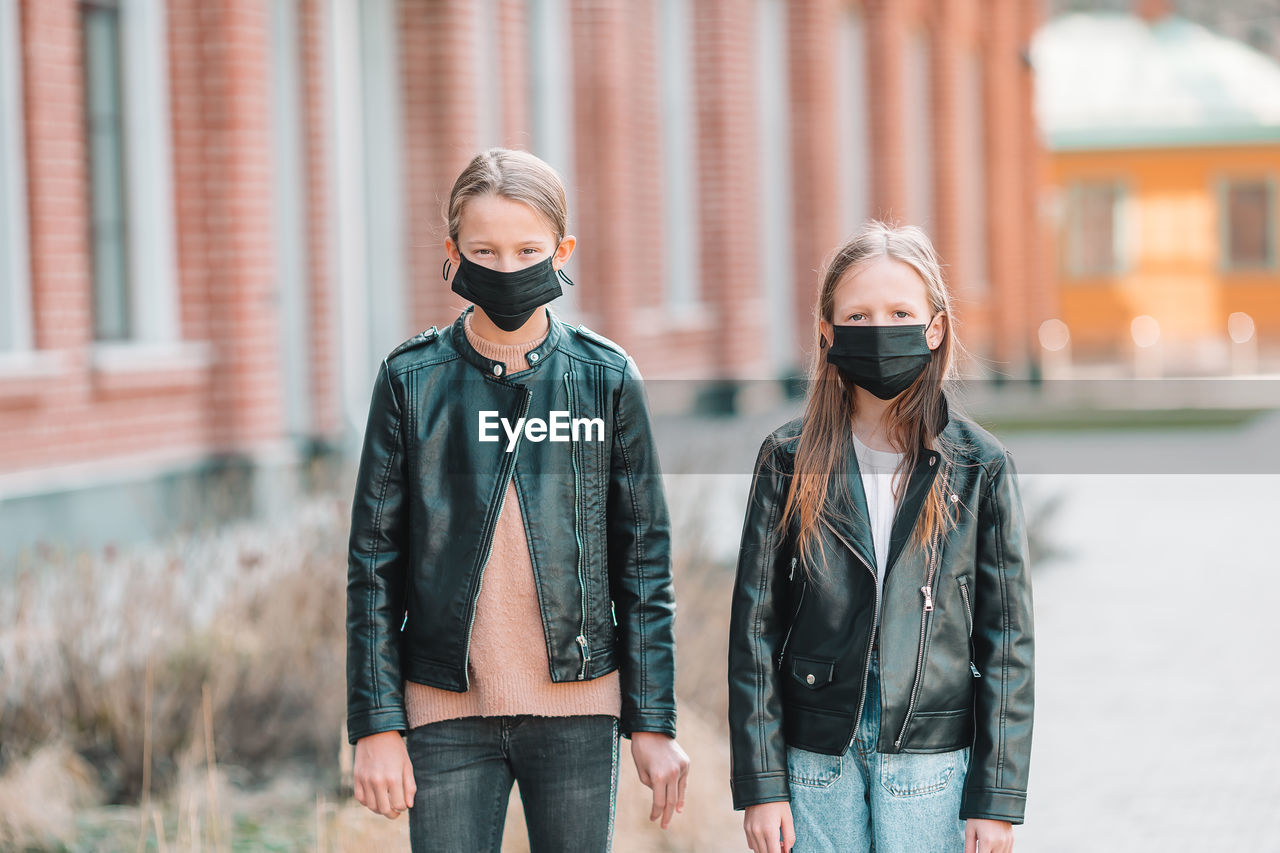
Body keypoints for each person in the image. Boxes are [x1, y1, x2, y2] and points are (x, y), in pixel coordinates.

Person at [346, 148, 690, 853]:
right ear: (453, 254)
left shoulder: (607, 379)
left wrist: (653, 721)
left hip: (579, 711)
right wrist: (377, 723)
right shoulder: (410, 381)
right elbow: (373, 566)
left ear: (562, 249)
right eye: (485, 250)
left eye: (527, 248)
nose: (507, 267)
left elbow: (644, 563)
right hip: (444, 712)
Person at [727, 222, 1034, 853]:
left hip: (932, 762)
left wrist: (996, 799)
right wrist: (762, 783)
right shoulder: (787, 459)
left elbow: (1008, 640)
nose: (879, 329)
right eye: (858, 315)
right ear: (827, 332)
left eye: (899, 312)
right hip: (816, 761)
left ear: (935, 328)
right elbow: (755, 625)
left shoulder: (980, 466)